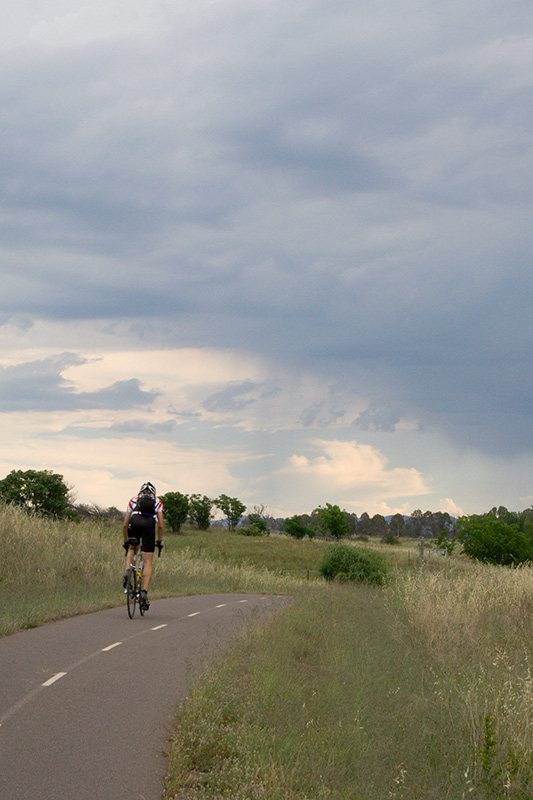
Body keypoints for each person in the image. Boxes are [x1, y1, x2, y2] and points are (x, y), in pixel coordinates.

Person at [122, 482, 164, 609]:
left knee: (132, 549)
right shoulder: (158, 502)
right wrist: (159, 541)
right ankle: (144, 592)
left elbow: (125, 524)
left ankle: (128, 571)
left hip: (134, 523)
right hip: (149, 525)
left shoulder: (133, 500)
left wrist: (126, 541)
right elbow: (161, 525)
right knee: (147, 562)